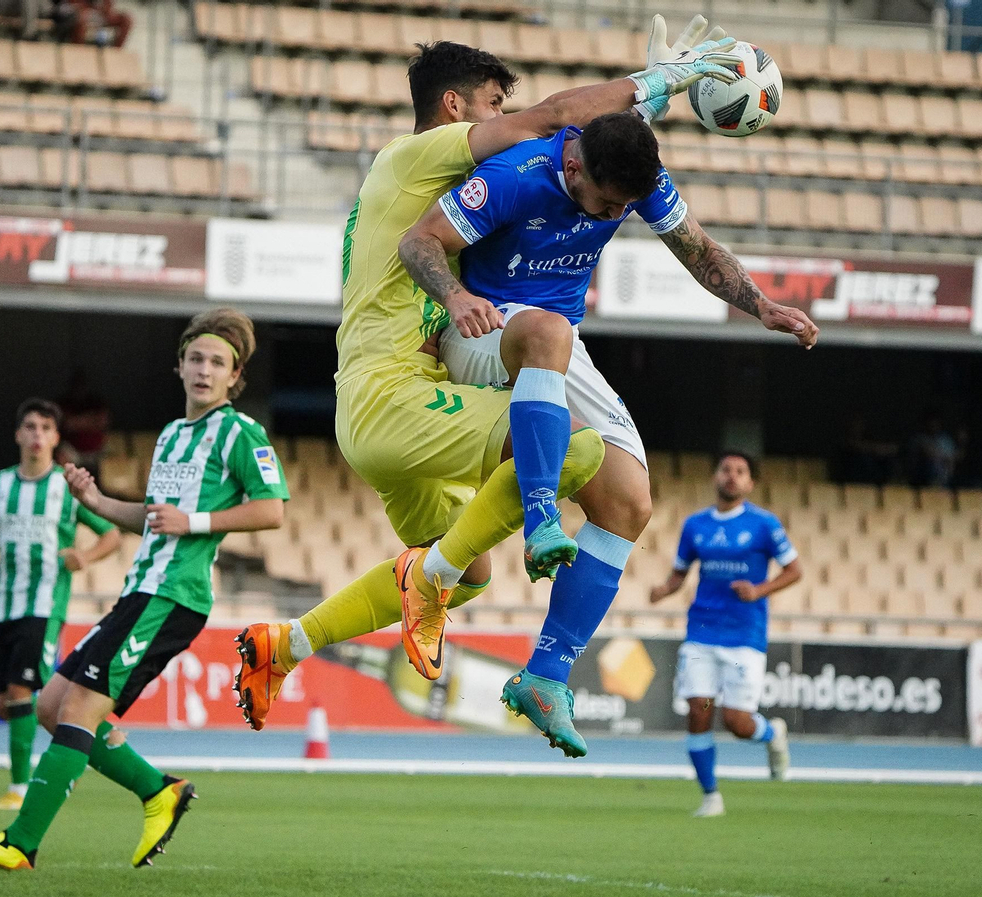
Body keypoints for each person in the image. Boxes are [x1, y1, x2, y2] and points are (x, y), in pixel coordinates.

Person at [232, 30, 743, 740]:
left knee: (469, 572)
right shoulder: (417, 156)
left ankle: (282, 646)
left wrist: (639, 124)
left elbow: (576, 160)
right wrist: (656, 81)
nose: (504, 116)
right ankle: (470, 571)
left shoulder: (424, 187)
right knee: (572, 449)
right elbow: (554, 120)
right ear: (453, 108)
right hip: (398, 399)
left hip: (380, 407)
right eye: (492, 105)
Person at [415, 112, 817, 753]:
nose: (610, 216)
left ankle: (545, 675)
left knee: (631, 500)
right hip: (481, 331)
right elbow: (419, 241)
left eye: (621, 208)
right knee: (548, 329)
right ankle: (542, 518)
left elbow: (699, 250)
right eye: (605, 203)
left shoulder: (637, 177)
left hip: (555, 342)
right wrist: (456, 298)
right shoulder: (516, 176)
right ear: (573, 167)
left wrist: (761, 305)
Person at [0, 308, 289, 871]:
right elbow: (153, 517)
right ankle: (159, 792)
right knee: (53, 707)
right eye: (196, 359)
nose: (205, 370)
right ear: (179, 367)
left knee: (77, 706)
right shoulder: (174, 437)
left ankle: (20, 843)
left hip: (172, 595)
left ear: (234, 377)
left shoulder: (241, 432)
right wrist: (98, 502)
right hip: (140, 588)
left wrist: (196, 523)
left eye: (217, 363)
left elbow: (271, 511)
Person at [0, 398, 123, 810]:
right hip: (4, 606)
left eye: (45, 428)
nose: (37, 435)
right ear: (17, 434)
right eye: (30, 427)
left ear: (56, 437)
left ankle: (19, 788)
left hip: (44, 606)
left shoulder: (66, 488)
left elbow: (111, 533)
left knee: (19, 690)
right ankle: (90, 740)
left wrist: (86, 557)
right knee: (7, 706)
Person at [651, 452, 803, 817]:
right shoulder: (695, 525)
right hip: (702, 633)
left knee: (737, 723)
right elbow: (680, 573)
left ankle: (772, 735)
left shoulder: (764, 524)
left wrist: (759, 590)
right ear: (716, 477)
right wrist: (662, 590)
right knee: (698, 712)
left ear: (750, 483)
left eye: (740, 472)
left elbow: (795, 570)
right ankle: (711, 796)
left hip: (744, 635)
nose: (732, 477)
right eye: (726, 470)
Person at [57, 368, 109, 477]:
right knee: (63, 452)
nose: (79, 389)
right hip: (74, 451)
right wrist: (89, 420)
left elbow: (102, 422)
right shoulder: (66, 402)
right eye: (76, 385)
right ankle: (64, 489)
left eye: (82, 385)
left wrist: (78, 421)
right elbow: (67, 424)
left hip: (97, 451)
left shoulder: (95, 401)